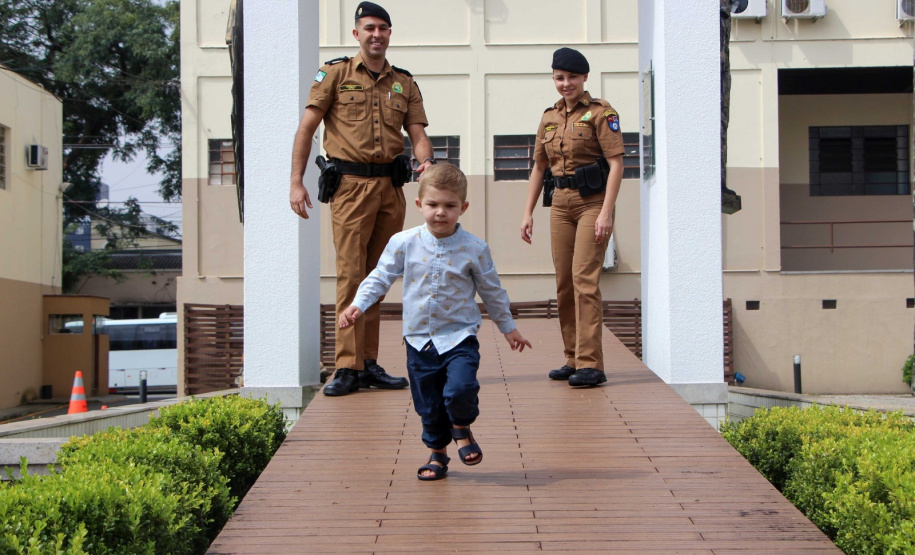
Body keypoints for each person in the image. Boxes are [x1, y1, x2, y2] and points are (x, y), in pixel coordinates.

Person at [339, 163, 532, 480]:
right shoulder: (404, 243)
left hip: (459, 338)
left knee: (460, 389)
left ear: (463, 207)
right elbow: (380, 277)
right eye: (432, 205)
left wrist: (509, 328)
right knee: (428, 405)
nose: (440, 212)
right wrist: (358, 304)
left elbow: (492, 291)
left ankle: (461, 427)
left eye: (449, 206)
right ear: (419, 205)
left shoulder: (474, 249)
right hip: (418, 339)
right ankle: (437, 456)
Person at [289, 1, 436, 397]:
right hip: (350, 187)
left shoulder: (403, 82)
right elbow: (307, 128)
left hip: (392, 188)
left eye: (383, 28)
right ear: (357, 33)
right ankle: (346, 367)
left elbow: (418, 134)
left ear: (390, 34)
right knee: (351, 276)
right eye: (369, 28)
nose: (376, 35)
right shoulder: (335, 74)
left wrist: (428, 164)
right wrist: (296, 182)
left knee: (380, 277)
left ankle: (368, 363)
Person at [519, 47, 624, 387]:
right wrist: (528, 212)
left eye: (572, 78)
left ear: (585, 78)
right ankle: (572, 357)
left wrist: (607, 211)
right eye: (560, 78)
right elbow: (539, 167)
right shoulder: (549, 116)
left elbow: (617, 164)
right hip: (560, 204)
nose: (566, 84)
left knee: (584, 281)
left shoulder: (601, 113)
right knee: (564, 283)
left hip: (592, 202)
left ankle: (591, 362)